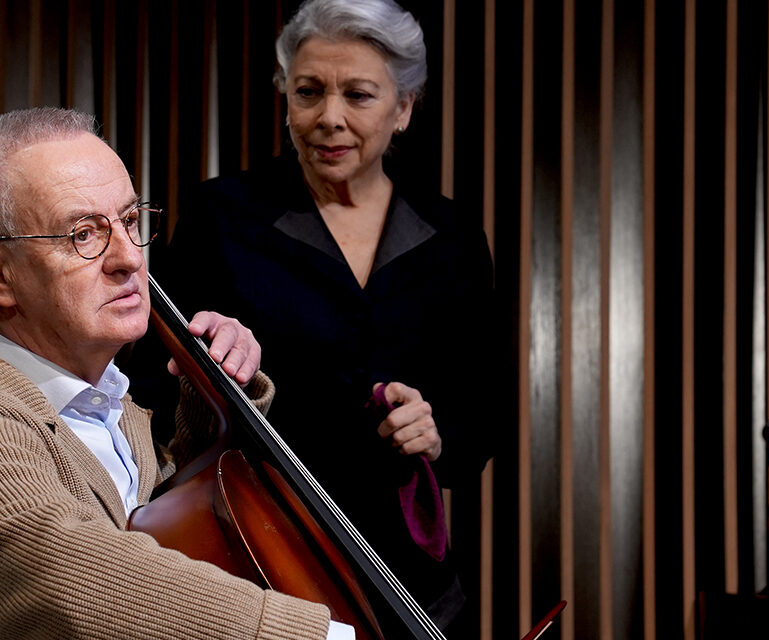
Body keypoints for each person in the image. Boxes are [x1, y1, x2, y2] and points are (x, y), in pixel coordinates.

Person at [0, 107, 356, 639]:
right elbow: (78, 579)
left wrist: (216, 400)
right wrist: (323, 635)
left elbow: (166, 534)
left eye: (130, 221)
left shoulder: (113, 409)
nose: (130, 259)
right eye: (84, 234)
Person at [128, 0, 496, 633]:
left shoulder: (454, 238)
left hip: (411, 583)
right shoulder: (223, 217)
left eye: (358, 95)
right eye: (308, 92)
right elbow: (153, 392)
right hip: (259, 559)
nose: (329, 118)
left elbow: (478, 435)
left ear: (404, 107)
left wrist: (435, 435)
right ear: (286, 97)